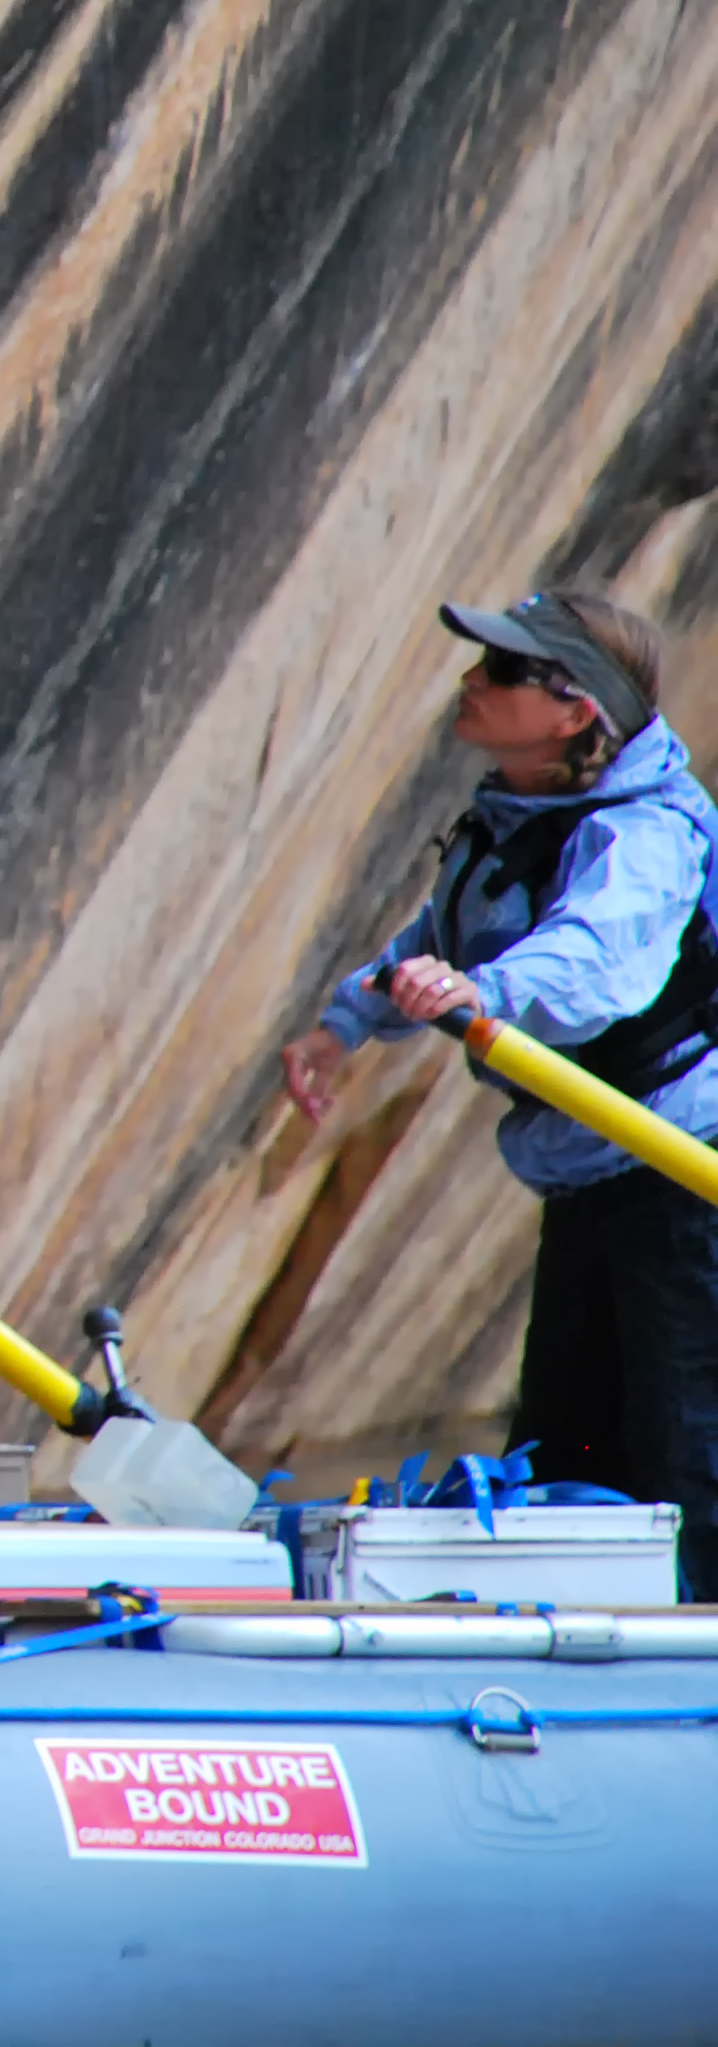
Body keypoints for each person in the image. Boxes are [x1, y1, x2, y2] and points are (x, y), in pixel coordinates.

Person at [281, 589, 718, 1596]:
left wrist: (485, 993)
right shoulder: (508, 818)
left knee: (684, 1446)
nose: (469, 682)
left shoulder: (643, 836)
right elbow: (432, 945)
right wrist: (345, 1022)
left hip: (682, 1177)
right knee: (560, 1442)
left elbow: (588, 964)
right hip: (593, 1175)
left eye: (502, 670)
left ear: (572, 713)